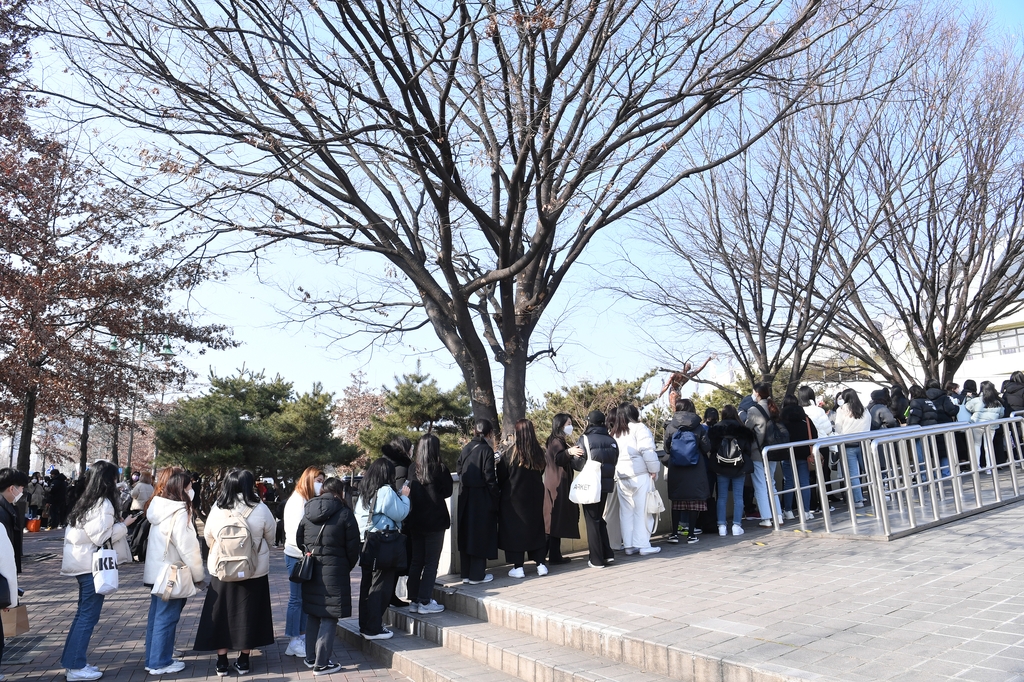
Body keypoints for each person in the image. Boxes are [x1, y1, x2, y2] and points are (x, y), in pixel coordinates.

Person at [194, 469, 276, 676]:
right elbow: (272, 537)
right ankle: (243, 660)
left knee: (221, 614)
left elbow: (209, 537)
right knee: (249, 614)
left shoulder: (217, 507)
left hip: (223, 570)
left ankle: (222, 662)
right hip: (253, 570)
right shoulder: (260, 508)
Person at [61, 461, 135, 681]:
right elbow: (101, 537)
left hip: (83, 564)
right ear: (108, 480)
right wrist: (125, 524)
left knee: (83, 616)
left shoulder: (87, 499)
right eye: (114, 477)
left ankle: (74, 662)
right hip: (90, 566)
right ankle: (75, 666)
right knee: (87, 617)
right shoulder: (103, 503)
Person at [295, 477, 360, 676]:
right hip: (335, 571)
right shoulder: (345, 513)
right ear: (340, 492)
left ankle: (310, 657)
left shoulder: (308, 511)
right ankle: (321, 663)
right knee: (330, 616)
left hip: (312, 570)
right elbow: (353, 547)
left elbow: (299, 540)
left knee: (314, 613)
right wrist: (344, 565)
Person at [143, 470, 205, 676]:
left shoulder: (158, 507)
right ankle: (160, 662)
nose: (191, 490)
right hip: (172, 574)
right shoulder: (179, 512)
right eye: (189, 486)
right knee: (167, 618)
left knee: (156, 617)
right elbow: (188, 548)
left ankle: (153, 658)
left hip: (156, 573)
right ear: (182, 489)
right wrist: (199, 576)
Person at [356, 457, 410, 640]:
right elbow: (400, 512)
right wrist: (405, 497)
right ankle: (374, 627)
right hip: (382, 543)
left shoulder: (365, 490)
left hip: (366, 542)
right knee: (381, 585)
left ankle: (365, 625)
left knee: (367, 585)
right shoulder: (386, 491)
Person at [405, 434, 453, 613]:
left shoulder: (412, 468)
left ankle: (414, 600)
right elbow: (448, 491)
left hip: (415, 522)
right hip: (435, 522)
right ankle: (425, 601)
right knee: (431, 562)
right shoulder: (440, 468)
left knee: (417, 560)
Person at [497, 419, 549, 578]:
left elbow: (501, 476)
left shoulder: (509, 454)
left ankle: (518, 567)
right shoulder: (539, 452)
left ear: (517, 433)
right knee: (537, 528)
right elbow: (541, 471)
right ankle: (541, 564)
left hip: (514, 499)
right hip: (535, 497)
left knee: (515, 531)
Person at [282, 466, 325, 657]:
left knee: (302, 599)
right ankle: (293, 639)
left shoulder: (306, 500)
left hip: (302, 555)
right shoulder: (298, 502)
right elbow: (297, 532)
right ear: (308, 480)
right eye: (318, 481)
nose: (321, 485)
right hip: (296, 556)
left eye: (322, 481)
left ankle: (300, 636)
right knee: (296, 599)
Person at [610, 403, 661, 555]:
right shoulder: (639, 428)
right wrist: (654, 470)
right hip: (639, 475)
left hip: (621, 476)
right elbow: (648, 451)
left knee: (626, 511)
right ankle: (644, 545)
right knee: (642, 510)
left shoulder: (614, 432)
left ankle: (629, 546)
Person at [660, 399, 711, 544]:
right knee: (693, 501)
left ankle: (674, 534)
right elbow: (706, 447)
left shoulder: (671, 427)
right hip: (696, 467)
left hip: (676, 467)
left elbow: (667, 448)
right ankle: (691, 535)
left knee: (677, 501)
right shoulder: (699, 427)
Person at [455, 419, 499, 585]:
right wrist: (495, 495)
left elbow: (459, 469)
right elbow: (489, 476)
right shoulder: (486, 449)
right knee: (480, 534)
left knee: (466, 534)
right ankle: (477, 575)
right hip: (480, 497)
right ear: (489, 433)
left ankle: (466, 574)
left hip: (464, 496)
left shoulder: (466, 448)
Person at [577, 411, 618, 568]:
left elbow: (577, 462)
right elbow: (615, 459)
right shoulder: (611, 439)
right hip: (606, 484)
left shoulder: (585, 439)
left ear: (589, 422)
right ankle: (607, 554)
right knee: (599, 518)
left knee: (592, 520)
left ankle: (596, 559)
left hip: (590, 485)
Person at [708, 405, 756, 536]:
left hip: (721, 466)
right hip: (738, 466)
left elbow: (711, 448)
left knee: (721, 497)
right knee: (738, 497)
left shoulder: (716, 429)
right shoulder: (743, 429)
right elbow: (747, 449)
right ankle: (736, 525)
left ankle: (721, 526)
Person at [543, 414, 584, 565]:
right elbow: (559, 458)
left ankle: (554, 555)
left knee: (555, 522)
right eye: (568, 423)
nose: (570, 426)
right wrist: (569, 452)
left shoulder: (556, 440)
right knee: (553, 521)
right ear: (560, 425)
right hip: (557, 486)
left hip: (557, 484)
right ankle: (544, 556)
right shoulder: (556, 441)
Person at [745, 383, 783, 527]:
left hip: (758, 453)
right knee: (771, 483)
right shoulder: (774, 407)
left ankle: (766, 518)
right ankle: (778, 516)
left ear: (757, 393)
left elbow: (747, 429)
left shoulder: (753, 410)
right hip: (773, 451)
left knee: (760, 485)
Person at [779, 395, 817, 521]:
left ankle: (788, 511)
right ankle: (806, 511)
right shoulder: (805, 419)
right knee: (804, 482)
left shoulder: (782, 420)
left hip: (787, 455)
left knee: (789, 482)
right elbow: (814, 434)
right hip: (805, 454)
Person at [834, 389, 871, 508]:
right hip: (864, 443)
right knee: (869, 471)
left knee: (853, 474)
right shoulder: (864, 409)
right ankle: (877, 494)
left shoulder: (841, 409)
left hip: (848, 444)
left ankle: (858, 500)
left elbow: (838, 428)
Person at [966, 381, 1005, 469]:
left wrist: (969, 398)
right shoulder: (997, 402)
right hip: (992, 425)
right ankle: (989, 467)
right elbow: (1001, 414)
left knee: (977, 444)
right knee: (988, 446)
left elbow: (967, 407)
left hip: (977, 425)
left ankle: (977, 466)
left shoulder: (976, 400)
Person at [0, 469, 27, 575]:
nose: (22, 492)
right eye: (21, 488)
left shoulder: (9, 509)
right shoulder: (3, 512)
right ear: (12, 488)